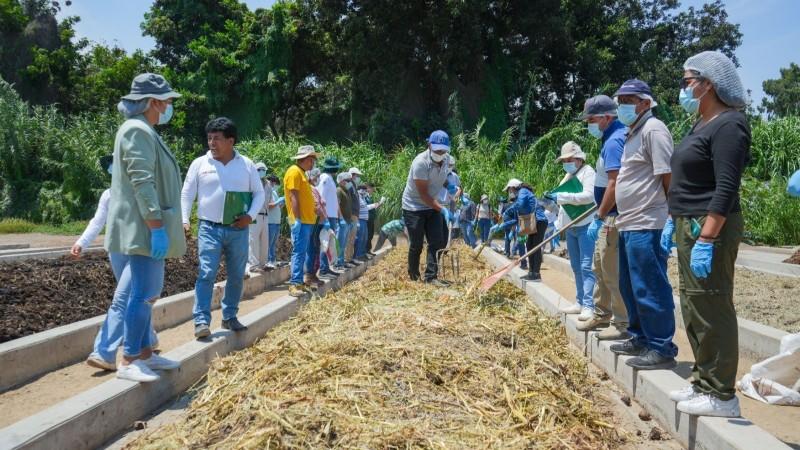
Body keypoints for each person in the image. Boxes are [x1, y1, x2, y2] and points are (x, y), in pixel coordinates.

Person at [664, 51, 750, 417]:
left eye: (688, 82)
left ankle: (722, 394)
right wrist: (675, 218)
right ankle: (703, 380)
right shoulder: (700, 123)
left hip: (709, 226)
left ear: (707, 85)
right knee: (694, 304)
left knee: (712, 304)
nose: (683, 89)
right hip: (690, 221)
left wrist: (707, 237)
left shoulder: (729, 124)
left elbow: (727, 185)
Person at [105, 73, 185, 382]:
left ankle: (147, 355)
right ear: (152, 102)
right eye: (165, 101)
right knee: (142, 293)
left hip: (148, 226)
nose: (168, 106)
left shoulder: (144, 130)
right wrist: (156, 226)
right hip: (144, 227)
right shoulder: (136, 130)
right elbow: (143, 182)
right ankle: (129, 359)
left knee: (147, 292)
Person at [608, 79, 677, 371]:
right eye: (620, 100)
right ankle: (639, 337)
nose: (623, 105)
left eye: (628, 100)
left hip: (648, 221)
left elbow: (668, 175)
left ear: (645, 103)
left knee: (649, 285)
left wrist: (672, 216)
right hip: (630, 221)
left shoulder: (654, 130)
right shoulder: (632, 132)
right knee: (630, 284)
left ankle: (661, 346)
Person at [73, 155, 158, 371]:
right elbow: (98, 221)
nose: (113, 167)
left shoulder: (142, 191)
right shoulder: (108, 195)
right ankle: (148, 338)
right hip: (117, 252)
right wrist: (82, 243)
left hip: (137, 250)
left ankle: (104, 352)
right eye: (110, 165)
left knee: (122, 300)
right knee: (136, 297)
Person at [182, 117, 264, 338]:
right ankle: (201, 321)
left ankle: (229, 316)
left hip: (238, 228)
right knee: (206, 273)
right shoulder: (200, 164)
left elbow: (259, 193)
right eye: (209, 138)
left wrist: (250, 216)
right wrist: (184, 219)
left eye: (217, 139)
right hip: (209, 228)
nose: (211, 143)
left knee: (237, 275)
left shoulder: (246, 164)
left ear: (231, 141)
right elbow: (187, 193)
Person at [578, 95, 629, 338]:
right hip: (605, 215)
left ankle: (622, 324)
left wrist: (599, 215)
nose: (589, 124)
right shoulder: (610, 138)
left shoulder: (614, 140)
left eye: (591, 119)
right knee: (599, 266)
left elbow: (614, 183)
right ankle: (601, 312)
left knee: (610, 270)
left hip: (611, 217)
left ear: (606, 117)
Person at [551, 142, 597, 320]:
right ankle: (579, 301)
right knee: (576, 266)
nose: (566, 163)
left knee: (587, 266)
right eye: (564, 160)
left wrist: (562, 196)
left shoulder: (588, 172)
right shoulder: (567, 176)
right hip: (571, 227)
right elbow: (561, 199)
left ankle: (588, 305)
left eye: (568, 160)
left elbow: (589, 196)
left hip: (585, 224)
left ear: (578, 159)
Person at [401, 130, 452, 285]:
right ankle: (414, 276)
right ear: (429, 145)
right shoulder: (420, 163)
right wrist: (442, 209)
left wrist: (451, 187)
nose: (440, 153)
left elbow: (440, 178)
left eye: (443, 150)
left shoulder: (447, 159)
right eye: (437, 150)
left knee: (438, 241)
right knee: (416, 244)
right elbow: (423, 195)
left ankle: (431, 277)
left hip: (432, 205)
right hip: (414, 207)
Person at [491, 179, 548, 280]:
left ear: (513, 187)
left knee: (535, 247)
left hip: (539, 221)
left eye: (509, 190)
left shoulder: (523, 191)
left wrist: (507, 211)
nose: (509, 193)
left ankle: (536, 274)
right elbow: (515, 221)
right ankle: (531, 272)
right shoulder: (519, 199)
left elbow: (520, 205)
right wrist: (501, 226)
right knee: (530, 246)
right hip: (533, 221)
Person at [284, 145, 320, 296]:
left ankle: (299, 282)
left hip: (307, 220)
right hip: (301, 220)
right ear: (304, 159)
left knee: (302, 252)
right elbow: (293, 197)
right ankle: (294, 284)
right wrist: (297, 219)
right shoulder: (294, 172)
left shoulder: (302, 173)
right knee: (299, 253)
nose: (313, 163)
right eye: (311, 160)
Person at [318, 157, 343, 277]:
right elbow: (321, 197)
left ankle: (326, 267)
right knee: (325, 243)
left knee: (329, 244)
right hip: (327, 215)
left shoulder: (330, 179)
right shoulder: (325, 178)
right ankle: (323, 269)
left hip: (331, 215)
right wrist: (325, 216)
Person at [304, 168, 328, 287]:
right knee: (312, 249)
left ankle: (313, 275)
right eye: (316, 176)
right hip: (315, 223)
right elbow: (316, 206)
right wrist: (325, 217)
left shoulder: (314, 189)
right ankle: (309, 275)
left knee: (315, 249)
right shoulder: (310, 189)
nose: (318, 178)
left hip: (318, 222)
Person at [247, 162, 272, 273]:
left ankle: (263, 263)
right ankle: (253, 264)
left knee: (264, 240)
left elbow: (269, 200)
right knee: (253, 240)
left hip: (265, 215)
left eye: (263, 169)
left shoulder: (268, 184)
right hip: (254, 215)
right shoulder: (250, 182)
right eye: (259, 169)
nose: (261, 171)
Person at [354, 184, 384, 261]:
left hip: (364, 220)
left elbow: (366, 207)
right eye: (363, 190)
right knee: (360, 238)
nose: (365, 191)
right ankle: (358, 255)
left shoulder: (362, 198)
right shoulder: (357, 198)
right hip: (360, 220)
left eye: (365, 190)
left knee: (365, 238)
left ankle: (363, 254)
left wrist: (375, 205)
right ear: (359, 190)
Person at [335, 172, 355, 270]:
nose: (349, 182)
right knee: (340, 243)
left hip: (348, 220)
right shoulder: (339, 190)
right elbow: (337, 205)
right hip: (342, 221)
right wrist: (341, 218)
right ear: (342, 181)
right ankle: (338, 263)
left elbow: (349, 206)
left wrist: (350, 220)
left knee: (344, 242)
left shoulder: (346, 191)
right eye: (347, 181)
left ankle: (342, 261)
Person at [265, 174, 284, 269]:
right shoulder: (268, 192)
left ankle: (273, 260)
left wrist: (281, 203)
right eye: (276, 183)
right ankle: (268, 260)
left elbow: (276, 207)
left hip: (276, 222)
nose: (277, 186)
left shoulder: (274, 192)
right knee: (269, 243)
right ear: (272, 182)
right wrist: (277, 202)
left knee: (273, 243)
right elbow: (268, 205)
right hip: (270, 222)